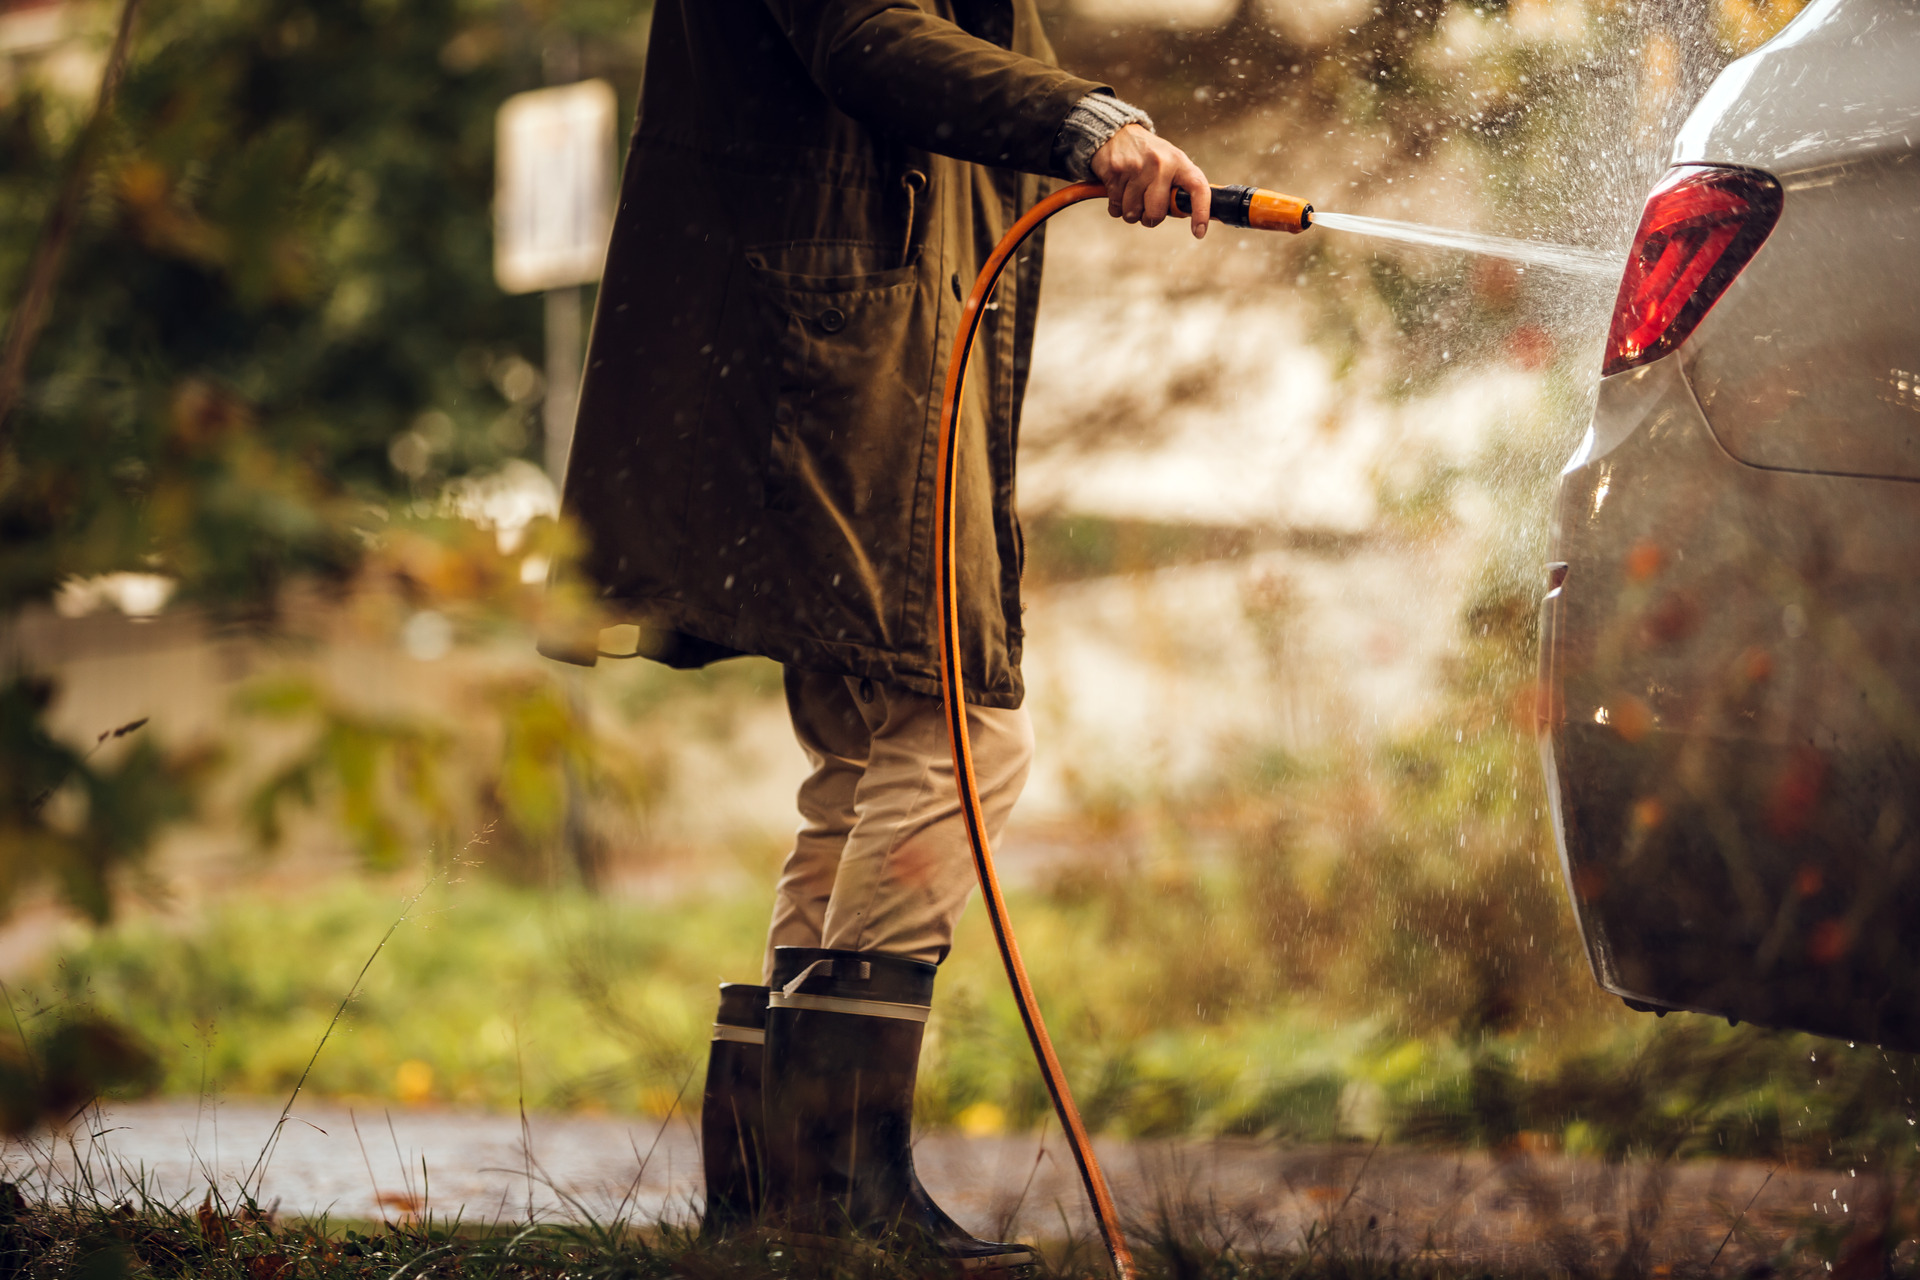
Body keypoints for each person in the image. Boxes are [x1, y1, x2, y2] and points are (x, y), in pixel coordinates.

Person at [540, 0, 1213, 1264]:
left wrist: (1109, 134)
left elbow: (984, 56)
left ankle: (775, 1204)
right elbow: (865, 34)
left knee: (863, 760)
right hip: (844, 350)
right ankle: (839, 1192)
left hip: (856, 339)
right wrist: (1090, 124)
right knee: (961, 736)